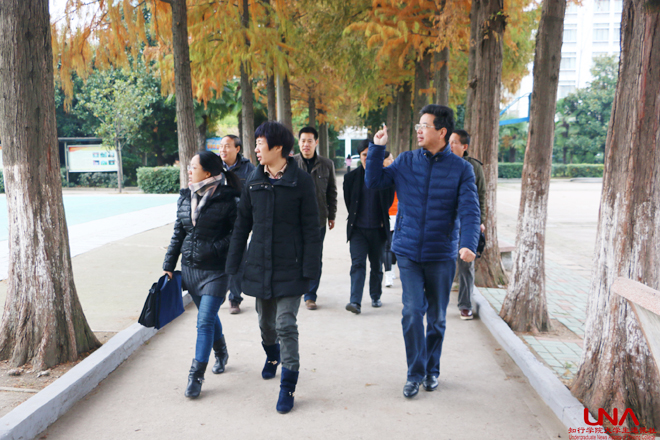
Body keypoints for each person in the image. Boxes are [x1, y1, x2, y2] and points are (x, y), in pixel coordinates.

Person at [365, 105, 480, 399]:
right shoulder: (406, 161)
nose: (419, 130)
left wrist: (468, 244)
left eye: (424, 126)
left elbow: (470, 211)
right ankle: (414, 374)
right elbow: (374, 181)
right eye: (418, 125)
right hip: (408, 251)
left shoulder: (461, 169)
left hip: (441, 254)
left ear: (441, 132)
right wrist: (377, 149)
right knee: (413, 312)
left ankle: (432, 370)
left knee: (437, 318)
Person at [225, 121, 321, 414]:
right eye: (255, 143)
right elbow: (242, 225)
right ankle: (272, 355)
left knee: (285, 324)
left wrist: (311, 270)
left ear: (278, 147)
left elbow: (311, 229)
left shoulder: (301, 181)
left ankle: (287, 386)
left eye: (260, 143)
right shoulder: (254, 180)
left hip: (291, 267)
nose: (256, 149)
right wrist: (233, 263)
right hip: (260, 265)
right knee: (266, 325)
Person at [162, 151, 242, 399]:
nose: (189, 171)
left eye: (193, 167)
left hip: (217, 271)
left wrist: (214, 248)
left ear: (207, 172)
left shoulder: (230, 199)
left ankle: (195, 376)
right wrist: (169, 264)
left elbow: (237, 235)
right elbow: (179, 233)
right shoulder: (185, 197)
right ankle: (221, 351)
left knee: (204, 320)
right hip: (191, 269)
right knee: (209, 317)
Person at [343, 140, 395, 314]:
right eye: (364, 155)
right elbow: (349, 203)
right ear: (360, 156)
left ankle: (375, 295)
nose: (367, 158)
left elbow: (388, 202)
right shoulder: (350, 178)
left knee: (376, 265)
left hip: (378, 230)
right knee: (357, 265)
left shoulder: (385, 177)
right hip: (358, 230)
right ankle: (355, 301)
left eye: (371, 154)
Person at [293, 126, 338, 310]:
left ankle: (310, 295)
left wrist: (332, 215)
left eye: (309, 141)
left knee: (314, 256)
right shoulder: (291, 163)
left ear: (316, 142)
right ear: (299, 142)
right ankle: (297, 289)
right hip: (295, 220)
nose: (306, 144)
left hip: (318, 220)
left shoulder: (327, 164)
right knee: (295, 255)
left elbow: (332, 191)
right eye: (303, 141)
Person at [449, 129, 486, 320]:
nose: (450, 145)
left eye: (454, 142)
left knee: (465, 264)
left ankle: (465, 305)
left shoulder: (474, 167)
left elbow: (481, 196)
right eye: (449, 142)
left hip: (466, 222)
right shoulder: (440, 163)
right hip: (444, 221)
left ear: (464, 146)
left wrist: (480, 221)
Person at [218, 134, 256, 314]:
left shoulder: (249, 169)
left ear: (237, 149)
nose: (222, 149)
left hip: (239, 221)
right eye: (221, 146)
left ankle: (234, 298)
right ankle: (217, 293)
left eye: (227, 146)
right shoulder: (214, 167)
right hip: (217, 221)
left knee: (239, 259)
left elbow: (252, 197)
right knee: (219, 259)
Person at [383, 151, 398, 288]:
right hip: (386, 215)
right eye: (389, 159)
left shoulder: (397, 174)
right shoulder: (379, 177)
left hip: (399, 214)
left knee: (395, 245)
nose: (392, 161)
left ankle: (392, 267)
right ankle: (388, 273)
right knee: (387, 245)